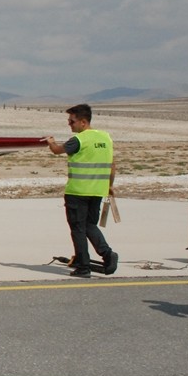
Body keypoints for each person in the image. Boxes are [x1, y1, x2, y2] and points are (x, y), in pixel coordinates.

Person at [47, 103, 118, 278]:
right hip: (97, 191)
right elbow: (112, 165)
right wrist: (109, 186)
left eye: (72, 121)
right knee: (89, 226)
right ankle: (107, 254)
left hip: (77, 192)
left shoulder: (79, 140)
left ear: (83, 122)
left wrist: (51, 142)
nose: (69, 124)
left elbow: (57, 151)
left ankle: (83, 266)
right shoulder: (106, 138)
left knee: (77, 228)